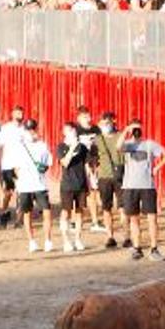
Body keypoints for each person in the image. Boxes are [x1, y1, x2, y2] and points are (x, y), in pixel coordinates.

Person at [118, 119, 165, 262]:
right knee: (134, 218)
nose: (136, 132)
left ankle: (154, 248)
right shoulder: (128, 144)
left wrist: (157, 168)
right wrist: (126, 131)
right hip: (130, 185)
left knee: (152, 218)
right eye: (134, 129)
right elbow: (118, 147)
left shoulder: (150, 144)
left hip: (147, 185)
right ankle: (137, 247)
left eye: (138, 128)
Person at [10, 119, 54, 253]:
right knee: (27, 213)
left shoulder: (42, 145)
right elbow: (15, 167)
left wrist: (42, 169)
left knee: (47, 211)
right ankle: (32, 241)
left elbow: (48, 163)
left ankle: (47, 240)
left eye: (33, 129)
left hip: (40, 184)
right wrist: (20, 182)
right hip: (25, 185)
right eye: (28, 129)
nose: (31, 132)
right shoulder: (19, 146)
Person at [93, 111, 131, 250]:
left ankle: (127, 236)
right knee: (106, 208)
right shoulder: (97, 140)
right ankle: (110, 236)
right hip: (104, 176)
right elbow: (93, 159)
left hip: (121, 176)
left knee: (123, 207)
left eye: (108, 123)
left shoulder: (120, 137)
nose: (106, 126)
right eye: (103, 123)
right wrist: (93, 173)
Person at [56, 121, 90, 253]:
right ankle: (66, 241)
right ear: (65, 132)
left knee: (80, 212)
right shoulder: (61, 147)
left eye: (74, 131)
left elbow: (86, 165)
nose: (73, 133)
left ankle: (78, 239)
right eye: (70, 131)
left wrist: (88, 183)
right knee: (66, 212)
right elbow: (64, 163)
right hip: (67, 185)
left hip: (80, 184)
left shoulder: (82, 148)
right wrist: (71, 148)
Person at [0, 106, 26, 229]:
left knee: (21, 192)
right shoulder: (6, 128)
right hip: (7, 164)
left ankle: (19, 220)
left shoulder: (25, 130)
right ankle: (4, 213)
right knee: (8, 193)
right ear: (12, 114)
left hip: (21, 165)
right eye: (17, 113)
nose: (19, 115)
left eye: (21, 113)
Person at [73, 106, 103, 234]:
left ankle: (95, 221)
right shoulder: (76, 130)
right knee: (79, 193)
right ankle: (75, 221)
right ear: (79, 118)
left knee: (93, 192)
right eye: (85, 116)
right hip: (79, 164)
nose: (88, 118)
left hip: (94, 163)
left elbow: (101, 145)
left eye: (89, 115)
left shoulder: (96, 129)